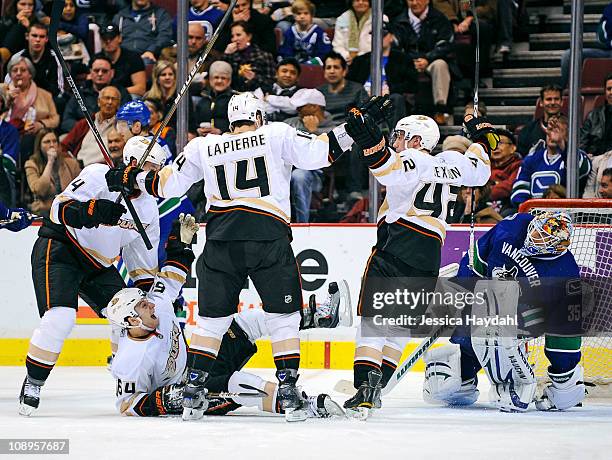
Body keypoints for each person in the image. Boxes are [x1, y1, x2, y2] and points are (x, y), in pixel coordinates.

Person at [105, 91, 356, 422]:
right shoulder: (277, 133)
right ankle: (288, 390)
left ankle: (193, 391)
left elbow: (166, 185)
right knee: (282, 318)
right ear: (259, 119)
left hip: (221, 239)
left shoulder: (203, 145)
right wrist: (353, 128)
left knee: (212, 321)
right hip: (267, 235)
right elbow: (322, 153)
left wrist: (131, 177)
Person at [341, 106, 496, 418]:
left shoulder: (416, 158)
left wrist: (372, 145)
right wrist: (479, 138)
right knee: (397, 327)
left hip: (398, 243)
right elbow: (481, 171)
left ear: (416, 140)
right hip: (430, 255)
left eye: (400, 136)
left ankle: (364, 390)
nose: (396, 141)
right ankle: (378, 387)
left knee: (374, 323)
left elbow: (385, 169)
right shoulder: (453, 162)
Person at [109, 214, 345, 418]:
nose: (150, 304)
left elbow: (173, 272)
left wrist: (179, 243)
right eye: (142, 305)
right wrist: (166, 399)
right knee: (241, 385)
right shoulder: (130, 360)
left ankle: (317, 316)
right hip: (188, 391)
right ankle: (305, 403)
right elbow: (127, 404)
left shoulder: (157, 303)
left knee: (245, 323)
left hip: (194, 366)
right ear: (131, 320)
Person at [18, 135, 167, 416]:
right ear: (133, 164)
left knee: (134, 314)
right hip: (61, 246)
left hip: (98, 266)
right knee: (61, 317)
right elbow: (57, 209)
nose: (155, 176)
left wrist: (154, 298)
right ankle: (34, 381)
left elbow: (142, 266)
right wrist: (93, 211)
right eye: (151, 167)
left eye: (158, 169)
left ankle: (126, 377)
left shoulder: (149, 209)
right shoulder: (99, 176)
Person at [423, 211, 585, 412]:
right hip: (492, 295)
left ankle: (563, 384)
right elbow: (478, 256)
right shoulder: (513, 227)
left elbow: (565, 327)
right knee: (471, 330)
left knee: (499, 335)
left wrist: (565, 369)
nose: (533, 238)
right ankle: (465, 376)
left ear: (555, 247)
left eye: (541, 239)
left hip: (532, 310)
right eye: (535, 231)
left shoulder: (565, 274)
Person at [390, 0, 456, 125]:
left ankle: (441, 110)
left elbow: (446, 44)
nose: (415, 3)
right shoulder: (399, 21)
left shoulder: (439, 18)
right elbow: (394, 46)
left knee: (440, 65)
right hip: (407, 62)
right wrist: (409, 61)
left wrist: (427, 58)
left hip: (431, 61)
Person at [511, 115, 591, 207]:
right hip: (533, 213)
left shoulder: (576, 156)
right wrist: (524, 206)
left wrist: (561, 143)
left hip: (563, 213)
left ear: (568, 135)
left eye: (558, 131)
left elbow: (582, 170)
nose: (552, 134)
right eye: (550, 130)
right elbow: (521, 185)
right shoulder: (532, 158)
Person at [346, 20, 412, 125]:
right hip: (363, 98)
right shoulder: (360, 61)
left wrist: (391, 89)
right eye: (375, 35)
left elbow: (412, 84)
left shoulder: (402, 59)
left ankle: (394, 136)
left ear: (391, 37)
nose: (378, 38)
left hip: (388, 99)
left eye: (383, 35)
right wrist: (361, 92)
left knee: (396, 99)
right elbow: (349, 83)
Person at [285, 88, 336, 223]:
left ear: (315, 107)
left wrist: (314, 132)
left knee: (300, 176)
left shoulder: (332, 127)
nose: (297, 109)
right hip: (286, 169)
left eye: (301, 106)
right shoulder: (289, 122)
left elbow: (331, 156)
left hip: (317, 175)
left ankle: (302, 224)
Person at [60, 55, 130, 134]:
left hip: (111, 134)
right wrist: (86, 128)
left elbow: (127, 120)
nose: (100, 74)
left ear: (112, 73)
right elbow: (66, 121)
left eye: (104, 71)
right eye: (96, 70)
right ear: (90, 72)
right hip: (82, 134)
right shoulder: (80, 92)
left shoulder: (121, 93)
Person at [25, 129, 81, 217]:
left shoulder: (72, 164)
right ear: (39, 146)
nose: (52, 145)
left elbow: (80, 191)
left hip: (69, 212)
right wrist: (50, 162)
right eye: (47, 142)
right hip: (44, 215)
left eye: (54, 141)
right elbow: (39, 190)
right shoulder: (31, 164)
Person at [61, 86, 121, 167]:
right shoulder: (85, 123)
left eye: (114, 99)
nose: (110, 102)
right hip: (78, 167)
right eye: (107, 98)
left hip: (103, 169)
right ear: (99, 102)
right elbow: (64, 146)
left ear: (118, 104)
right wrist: (71, 162)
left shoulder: (121, 126)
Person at [7, 23, 64, 102]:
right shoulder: (17, 58)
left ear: (46, 39)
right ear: (27, 36)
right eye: (34, 36)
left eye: (42, 36)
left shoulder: (54, 58)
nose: (37, 40)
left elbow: (59, 89)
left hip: (46, 101)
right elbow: (8, 85)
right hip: (21, 100)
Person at [560, 2, 612, 88]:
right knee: (568, 56)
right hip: (608, 50)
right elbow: (601, 37)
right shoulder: (610, 9)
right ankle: (565, 93)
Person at [223, 21, 276, 94]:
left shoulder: (264, 56)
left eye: (238, 35)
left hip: (257, 99)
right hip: (232, 97)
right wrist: (226, 54)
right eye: (232, 36)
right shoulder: (230, 56)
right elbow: (220, 76)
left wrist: (254, 78)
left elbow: (271, 85)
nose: (234, 39)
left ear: (249, 36)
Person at [317, 51, 368, 126]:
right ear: (324, 72)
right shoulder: (318, 92)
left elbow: (365, 114)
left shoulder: (357, 90)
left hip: (349, 129)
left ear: (344, 71)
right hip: (323, 130)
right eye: (328, 68)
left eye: (336, 67)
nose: (332, 71)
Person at [98, 24, 147, 97]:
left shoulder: (133, 58)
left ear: (119, 38)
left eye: (112, 38)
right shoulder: (96, 59)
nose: (108, 41)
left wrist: (114, 93)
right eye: (104, 38)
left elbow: (140, 89)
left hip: (126, 96)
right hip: (101, 97)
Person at [278, 0, 332, 64]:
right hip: (294, 68)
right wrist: (292, 64)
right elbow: (285, 52)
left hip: (313, 68)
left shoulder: (319, 33)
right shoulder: (289, 32)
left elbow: (324, 53)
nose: (302, 16)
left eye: (306, 13)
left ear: (312, 15)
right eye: (298, 13)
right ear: (294, 16)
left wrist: (309, 64)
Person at [517, 85, 563, 156]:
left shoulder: (571, 129)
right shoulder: (528, 130)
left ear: (561, 102)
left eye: (556, 99)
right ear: (541, 102)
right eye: (549, 99)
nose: (553, 102)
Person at [193, 60, 236, 136]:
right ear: (210, 79)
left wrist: (221, 131)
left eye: (223, 78)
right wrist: (197, 131)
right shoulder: (203, 98)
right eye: (216, 77)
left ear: (229, 80)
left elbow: (240, 126)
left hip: (226, 141)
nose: (219, 81)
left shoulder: (235, 99)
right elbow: (195, 122)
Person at [333, 0, 377, 65]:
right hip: (346, 61)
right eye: (357, 0)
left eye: (364, 0)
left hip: (370, 62)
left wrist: (358, 58)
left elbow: (379, 46)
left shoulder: (379, 18)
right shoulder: (342, 18)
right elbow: (337, 45)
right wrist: (347, 57)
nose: (360, 2)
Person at [488, 128, 521, 215]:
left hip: (508, 207)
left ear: (512, 148)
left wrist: (485, 191)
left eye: (500, 143)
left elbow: (509, 187)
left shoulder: (519, 165)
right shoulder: (484, 166)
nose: (495, 147)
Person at [580, 74, 612, 157]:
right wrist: (584, 157)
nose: (611, 92)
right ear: (605, 92)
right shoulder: (593, 116)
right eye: (609, 89)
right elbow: (582, 142)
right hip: (597, 158)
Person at [264, 57, 301, 122]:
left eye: (293, 73)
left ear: (297, 78)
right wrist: (284, 104)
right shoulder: (265, 88)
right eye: (284, 71)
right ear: (276, 74)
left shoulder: (302, 93)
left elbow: (294, 108)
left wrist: (269, 98)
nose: (288, 75)